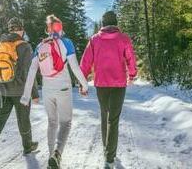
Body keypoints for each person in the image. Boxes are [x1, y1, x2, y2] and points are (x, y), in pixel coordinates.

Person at [20, 15, 89, 169]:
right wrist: (84, 85)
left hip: (47, 90)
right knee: (65, 123)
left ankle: (52, 157)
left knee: (52, 122)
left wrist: (26, 96)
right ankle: (57, 154)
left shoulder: (40, 46)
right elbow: (75, 68)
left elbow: (31, 71)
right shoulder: (66, 43)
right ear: (60, 27)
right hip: (63, 88)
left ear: (48, 29)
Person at [0, 18, 39, 169]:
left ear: (10, 29)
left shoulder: (1, 44)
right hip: (20, 92)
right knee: (23, 120)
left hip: (2, 91)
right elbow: (29, 72)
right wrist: (34, 93)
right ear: (21, 30)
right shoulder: (25, 46)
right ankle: (27, 146)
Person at [80, 11, 137, 169]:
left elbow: (85, 61)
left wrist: (82, 81)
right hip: (118, 84)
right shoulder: (123, 39)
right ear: (116, 23)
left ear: (103, 24)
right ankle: (110, 158)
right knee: (114, 119)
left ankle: (107, 151)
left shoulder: (94, 40)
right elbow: (131, 58)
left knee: (105, 115)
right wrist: (132, 74)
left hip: (101, 84)